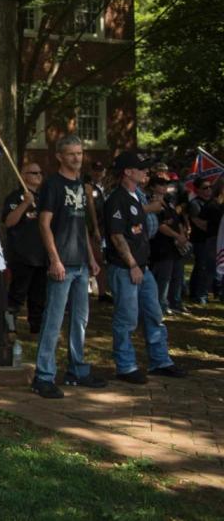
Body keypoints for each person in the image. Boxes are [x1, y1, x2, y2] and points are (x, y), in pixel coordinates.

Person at [31, 135, 105, 399]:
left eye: (80, 153)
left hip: (81, 264)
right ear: (60, 157)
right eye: (72, 154)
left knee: (80, 321)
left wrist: (91, 259)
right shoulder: (53, 184)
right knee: (53, 321)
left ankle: (77, 370)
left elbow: (81, 226)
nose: (77, 158)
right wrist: (55, 259)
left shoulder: (81, 185)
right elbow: (44, 224)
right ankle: (43, 376)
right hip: (62, 264)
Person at [104, 150, 186, 383]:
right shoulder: (117, 199)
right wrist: (132, 264)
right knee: (127, 319)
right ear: (128, 172)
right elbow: (117, 236)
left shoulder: (137, 196)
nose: (145, 172)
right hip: (125, 268)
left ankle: (160, 360)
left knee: (155, 314)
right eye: (141, 168)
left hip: (143, 266)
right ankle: (126, 365)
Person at [2, 162, 47, 334]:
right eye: (34, 172)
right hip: (22, 256)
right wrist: (25, 204)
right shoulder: (15, 197)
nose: (38, 175)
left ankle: (37, 329)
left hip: (41, 256)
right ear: (23, 175)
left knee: (39, 297)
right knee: (17, 294)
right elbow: (8, 221)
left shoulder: (44, 197)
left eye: (40, 172)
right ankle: (9, 328)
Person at [148, 177, 188, 315]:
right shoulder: (152, 203)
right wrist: (177, 236)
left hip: (175, 246)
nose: (164, 187)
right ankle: (160, 304)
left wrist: (181, 235)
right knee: (163, 278)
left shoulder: (169, 202)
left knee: (177, 275)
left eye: (166, 184)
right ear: (152, 187)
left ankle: (175, 302)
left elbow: (178, 221)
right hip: (161, 246)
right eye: (160, 184)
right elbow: (160, 226)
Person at [85, 160, 109, 301]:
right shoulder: (88, 187)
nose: (97, 173)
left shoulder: (104, 187)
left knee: (101, 259)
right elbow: (91, 209)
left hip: (103, 227)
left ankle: (101, 290)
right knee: (95, 258)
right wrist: (95, 228)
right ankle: (97, 290)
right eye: (95, 170)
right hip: (93, 228)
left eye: (100, 171)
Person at [188, 178, 214, 304]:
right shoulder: (195, 204)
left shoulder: (213, 203)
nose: (208, 190)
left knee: (207, 267)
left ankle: (202, 292)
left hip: (211, 240)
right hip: (200, 241)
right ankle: (198, 294)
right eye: (205, 188)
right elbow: (199, 223)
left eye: (210, 187)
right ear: (197, 190)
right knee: (201, 267)